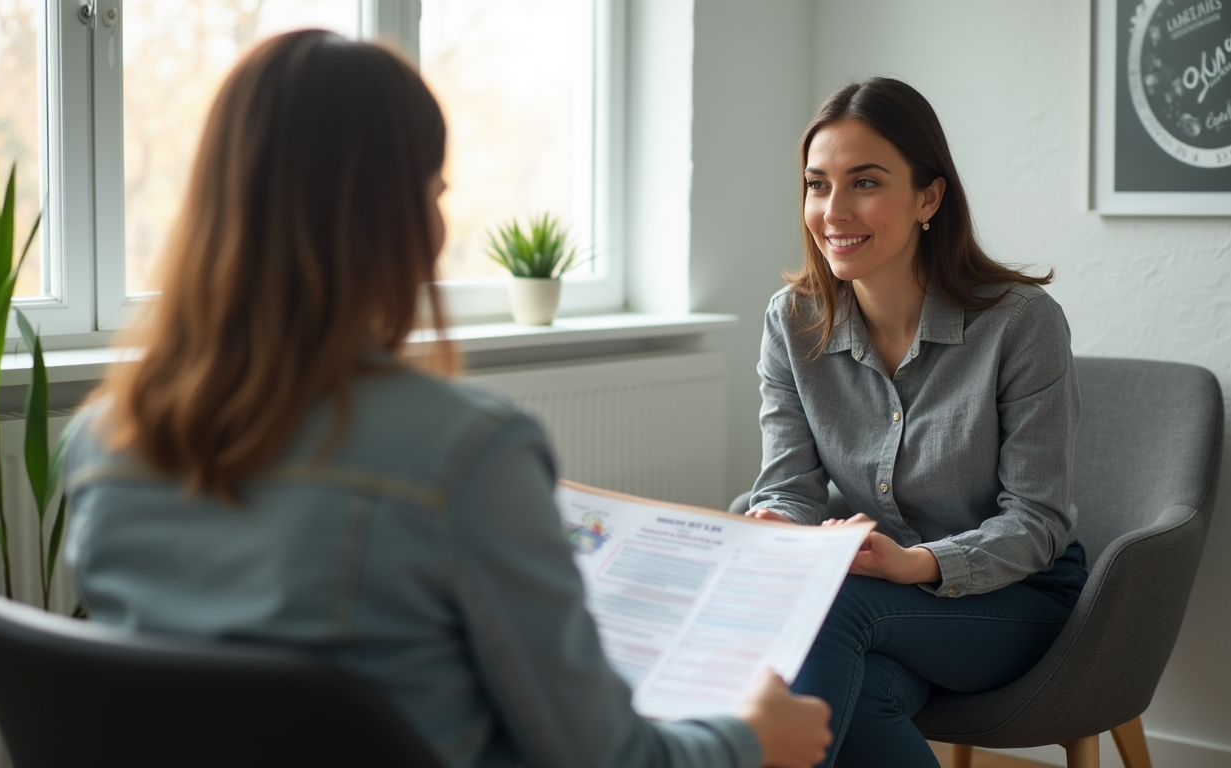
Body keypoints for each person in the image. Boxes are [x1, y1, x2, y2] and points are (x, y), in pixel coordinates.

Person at [61, 30, 831, 768]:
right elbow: (604, 757)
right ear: (389, 215)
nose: (437, 222)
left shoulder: (102, 442)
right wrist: (750, 737)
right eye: (433, 191)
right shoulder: (466, 452)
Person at [743, 78, 1089, 768]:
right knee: (853, 693)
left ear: (929, 197)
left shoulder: (1020, 324)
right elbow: (788, 487)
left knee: (831, 612)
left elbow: (1039, 520)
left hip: (1014, 598)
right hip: (880, 604)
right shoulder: (792, 321)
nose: (833, 210)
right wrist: (776, 527)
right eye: (817, 185)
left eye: (864, 183)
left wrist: (919, 563)